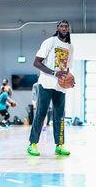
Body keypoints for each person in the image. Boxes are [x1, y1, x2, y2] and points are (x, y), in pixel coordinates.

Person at [27, 20, 74, 157]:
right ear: (57, 28)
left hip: (61, 86)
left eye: (66, 26)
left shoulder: (70, 47)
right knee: (41, 114)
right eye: (61, 26)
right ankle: (33, 144)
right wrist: (54, 73)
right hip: (46, 83)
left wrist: (71, 78)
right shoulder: (50, 42)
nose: (64, 28)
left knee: (59, 117)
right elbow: (36, 62)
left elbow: (68, 67)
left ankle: (59, 145)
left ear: (69, 29)